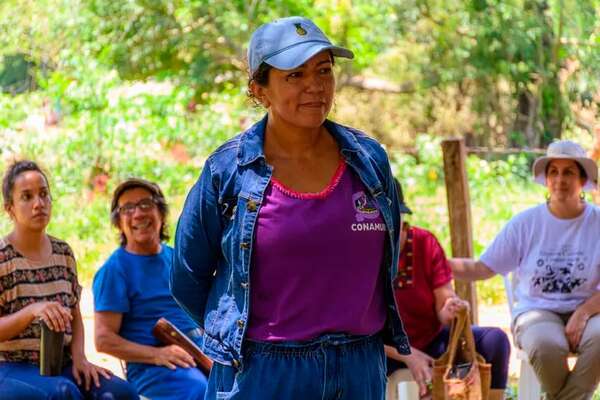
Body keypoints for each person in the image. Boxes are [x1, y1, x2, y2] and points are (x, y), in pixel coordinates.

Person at [170, 16, 410, 400]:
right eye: (294, 75)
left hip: (359, 367)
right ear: (258, 90)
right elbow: (186, 275)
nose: (315, 86)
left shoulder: (369, 160)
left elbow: (386, 257)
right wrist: (240, 339)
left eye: (324, 70)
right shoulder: (228, 170)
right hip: (264, 372)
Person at [450, 140, 600, 399]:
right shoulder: (526, 224)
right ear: (545, 178)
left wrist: (584, 312)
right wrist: (431, 260)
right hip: (537, 311)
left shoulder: (596, 222)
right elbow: (483, 268)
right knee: (546, 346)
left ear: (583, 179)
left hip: (590, 308)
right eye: (554, 171)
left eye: (569, 172)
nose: (560, 179)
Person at [0, 159, 138, 400]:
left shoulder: (63, 252)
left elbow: (75, 315)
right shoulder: (3, 258)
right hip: (10, 366)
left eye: (44, 194)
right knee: (63, 394)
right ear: (10, 208)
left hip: (60, 362)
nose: (38, 204)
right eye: (27, 197)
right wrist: (32, 311)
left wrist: (80, 358)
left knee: (120, 393)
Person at [385, 180, 510, 400]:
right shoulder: (358, 253)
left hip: (431, 340)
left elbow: (443, 304)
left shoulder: (424, 242)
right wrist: (408, 355)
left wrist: (452, 307)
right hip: (381, 350)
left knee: (495, 341)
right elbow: (358, 330)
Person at [92, 178, 208, 400]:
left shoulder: (177, 258)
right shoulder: (114, 270)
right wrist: (157, 354)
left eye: (146, 204)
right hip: (155, 367)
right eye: (127, 208)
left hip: (201, 355)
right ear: (118, 222)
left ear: (160, 213)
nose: (138, 214)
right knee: (200, 391)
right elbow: (103, 339)